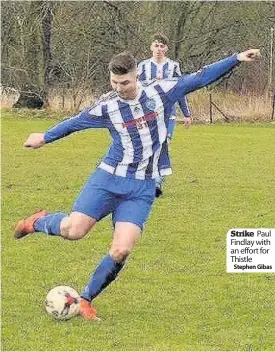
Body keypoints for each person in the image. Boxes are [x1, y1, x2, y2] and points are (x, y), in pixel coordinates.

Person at [14, 48, 260, 321]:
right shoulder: (107, 107)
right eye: (114, 83)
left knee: (122, 249)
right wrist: (45, 137)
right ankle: (37, 222)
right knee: (73, 231)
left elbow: (199, 78)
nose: (119, 88)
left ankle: (85, 300)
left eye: (125, 83)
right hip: (108, 179)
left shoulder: (161, 92)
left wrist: (236, 59)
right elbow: (75, 123)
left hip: (141, 187)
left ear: (136, 77)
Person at [138, 33, 191, 197]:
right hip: (148, 115)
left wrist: (187, 113)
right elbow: (137, 91)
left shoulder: (173, 66)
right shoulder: (143, 67)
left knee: (162, 144)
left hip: (168, 115)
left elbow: (180, 90)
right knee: (149, 146)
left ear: (166, 48)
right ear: (151, 47)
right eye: (156, 45)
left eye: (162, 46)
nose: (159, 49)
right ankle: (147, 179)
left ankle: (157, 182)